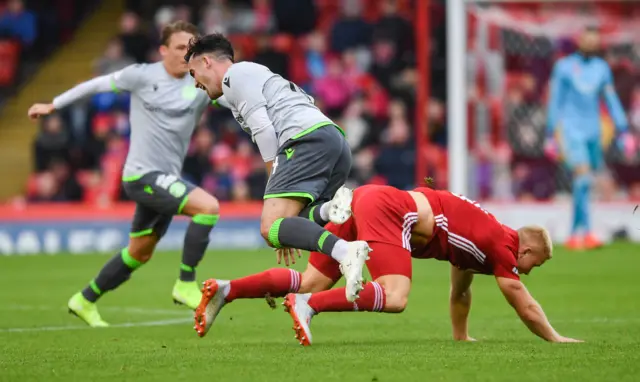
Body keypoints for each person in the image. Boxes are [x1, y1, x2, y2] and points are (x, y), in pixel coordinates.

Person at [193, 184, 582, 344]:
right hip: (390, 208)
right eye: (535, 264)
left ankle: (228, 289)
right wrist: (556, 338)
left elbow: (460, 290)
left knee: (312, 280)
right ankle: (307, 307)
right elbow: (522, 301)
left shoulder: (484, 243)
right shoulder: (502, 245)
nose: (528, 271)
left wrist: (461, 337)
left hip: (370, 198)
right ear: (527, 252)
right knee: (396, 297)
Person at [27, 21, 222, 327]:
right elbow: (94, 85)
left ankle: (84, 300)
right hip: (141, 175)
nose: (187, 54)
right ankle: (185, 283)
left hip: (165, 180)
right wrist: (54, 105)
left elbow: (234, 95)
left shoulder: (200, 84)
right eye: (180, 47)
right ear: (163, 50)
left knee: (138, 253)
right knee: (208, 207)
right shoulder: (141, 76)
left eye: (191, 48)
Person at [185, 33, 371, 302]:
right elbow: (218, 100)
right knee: (282, 226)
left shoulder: (234, 76)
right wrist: (285, 229)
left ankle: (345, 252)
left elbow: (263, 127)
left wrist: (274, 186)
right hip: (333, 141)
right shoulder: (250, 79)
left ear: (206, 61)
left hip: (303, 139)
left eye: (193, 73)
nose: (194, 83)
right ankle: (331, 209)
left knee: (269, 227)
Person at [546, 26, 632, 250]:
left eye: (595, 42)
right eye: (587, 40)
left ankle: (576, 232)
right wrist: (550, 133)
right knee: (583, 178)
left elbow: (610, 99)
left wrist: (623, 129)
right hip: (571, 130)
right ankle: (585, 232)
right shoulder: (564, 67)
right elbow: (556, 100)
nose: (590, 45)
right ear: (579, 41)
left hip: (594, 132)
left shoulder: (601, 69)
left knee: (583, 183)